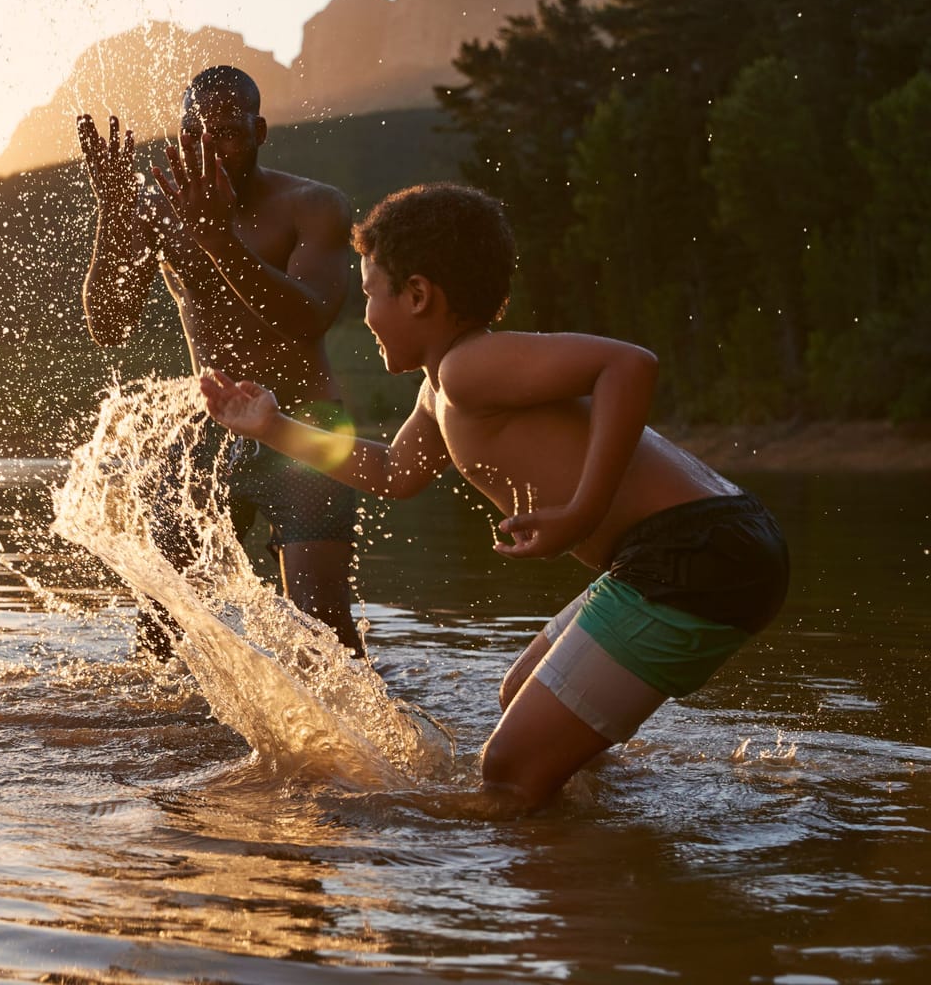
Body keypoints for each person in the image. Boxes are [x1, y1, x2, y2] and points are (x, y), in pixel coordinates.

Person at [197, 182, 790, 815]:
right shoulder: (440, 391)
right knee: (519, 696)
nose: (364, 315)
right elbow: (396, 472)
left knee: (506, 774)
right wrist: (271, 425)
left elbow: (628, 365)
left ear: (419, 295)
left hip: (694, 553)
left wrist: (583, 511)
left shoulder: (470, 366)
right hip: (699, 549)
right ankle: (606, 827)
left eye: (371, 294)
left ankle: (537, 845)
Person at [78, 66, 363, 655]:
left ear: (260, 132)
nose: (209, 149)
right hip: (206, 432)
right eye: (194, 133)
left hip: (307, 426)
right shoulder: (163, 212)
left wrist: (217, 238)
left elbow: (309, 316)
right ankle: (178, 746)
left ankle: (363, 748)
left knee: (324, 637)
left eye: (228, 134)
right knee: (161, 637)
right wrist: (114, 209)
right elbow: (110, 327)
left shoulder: (314, 206)